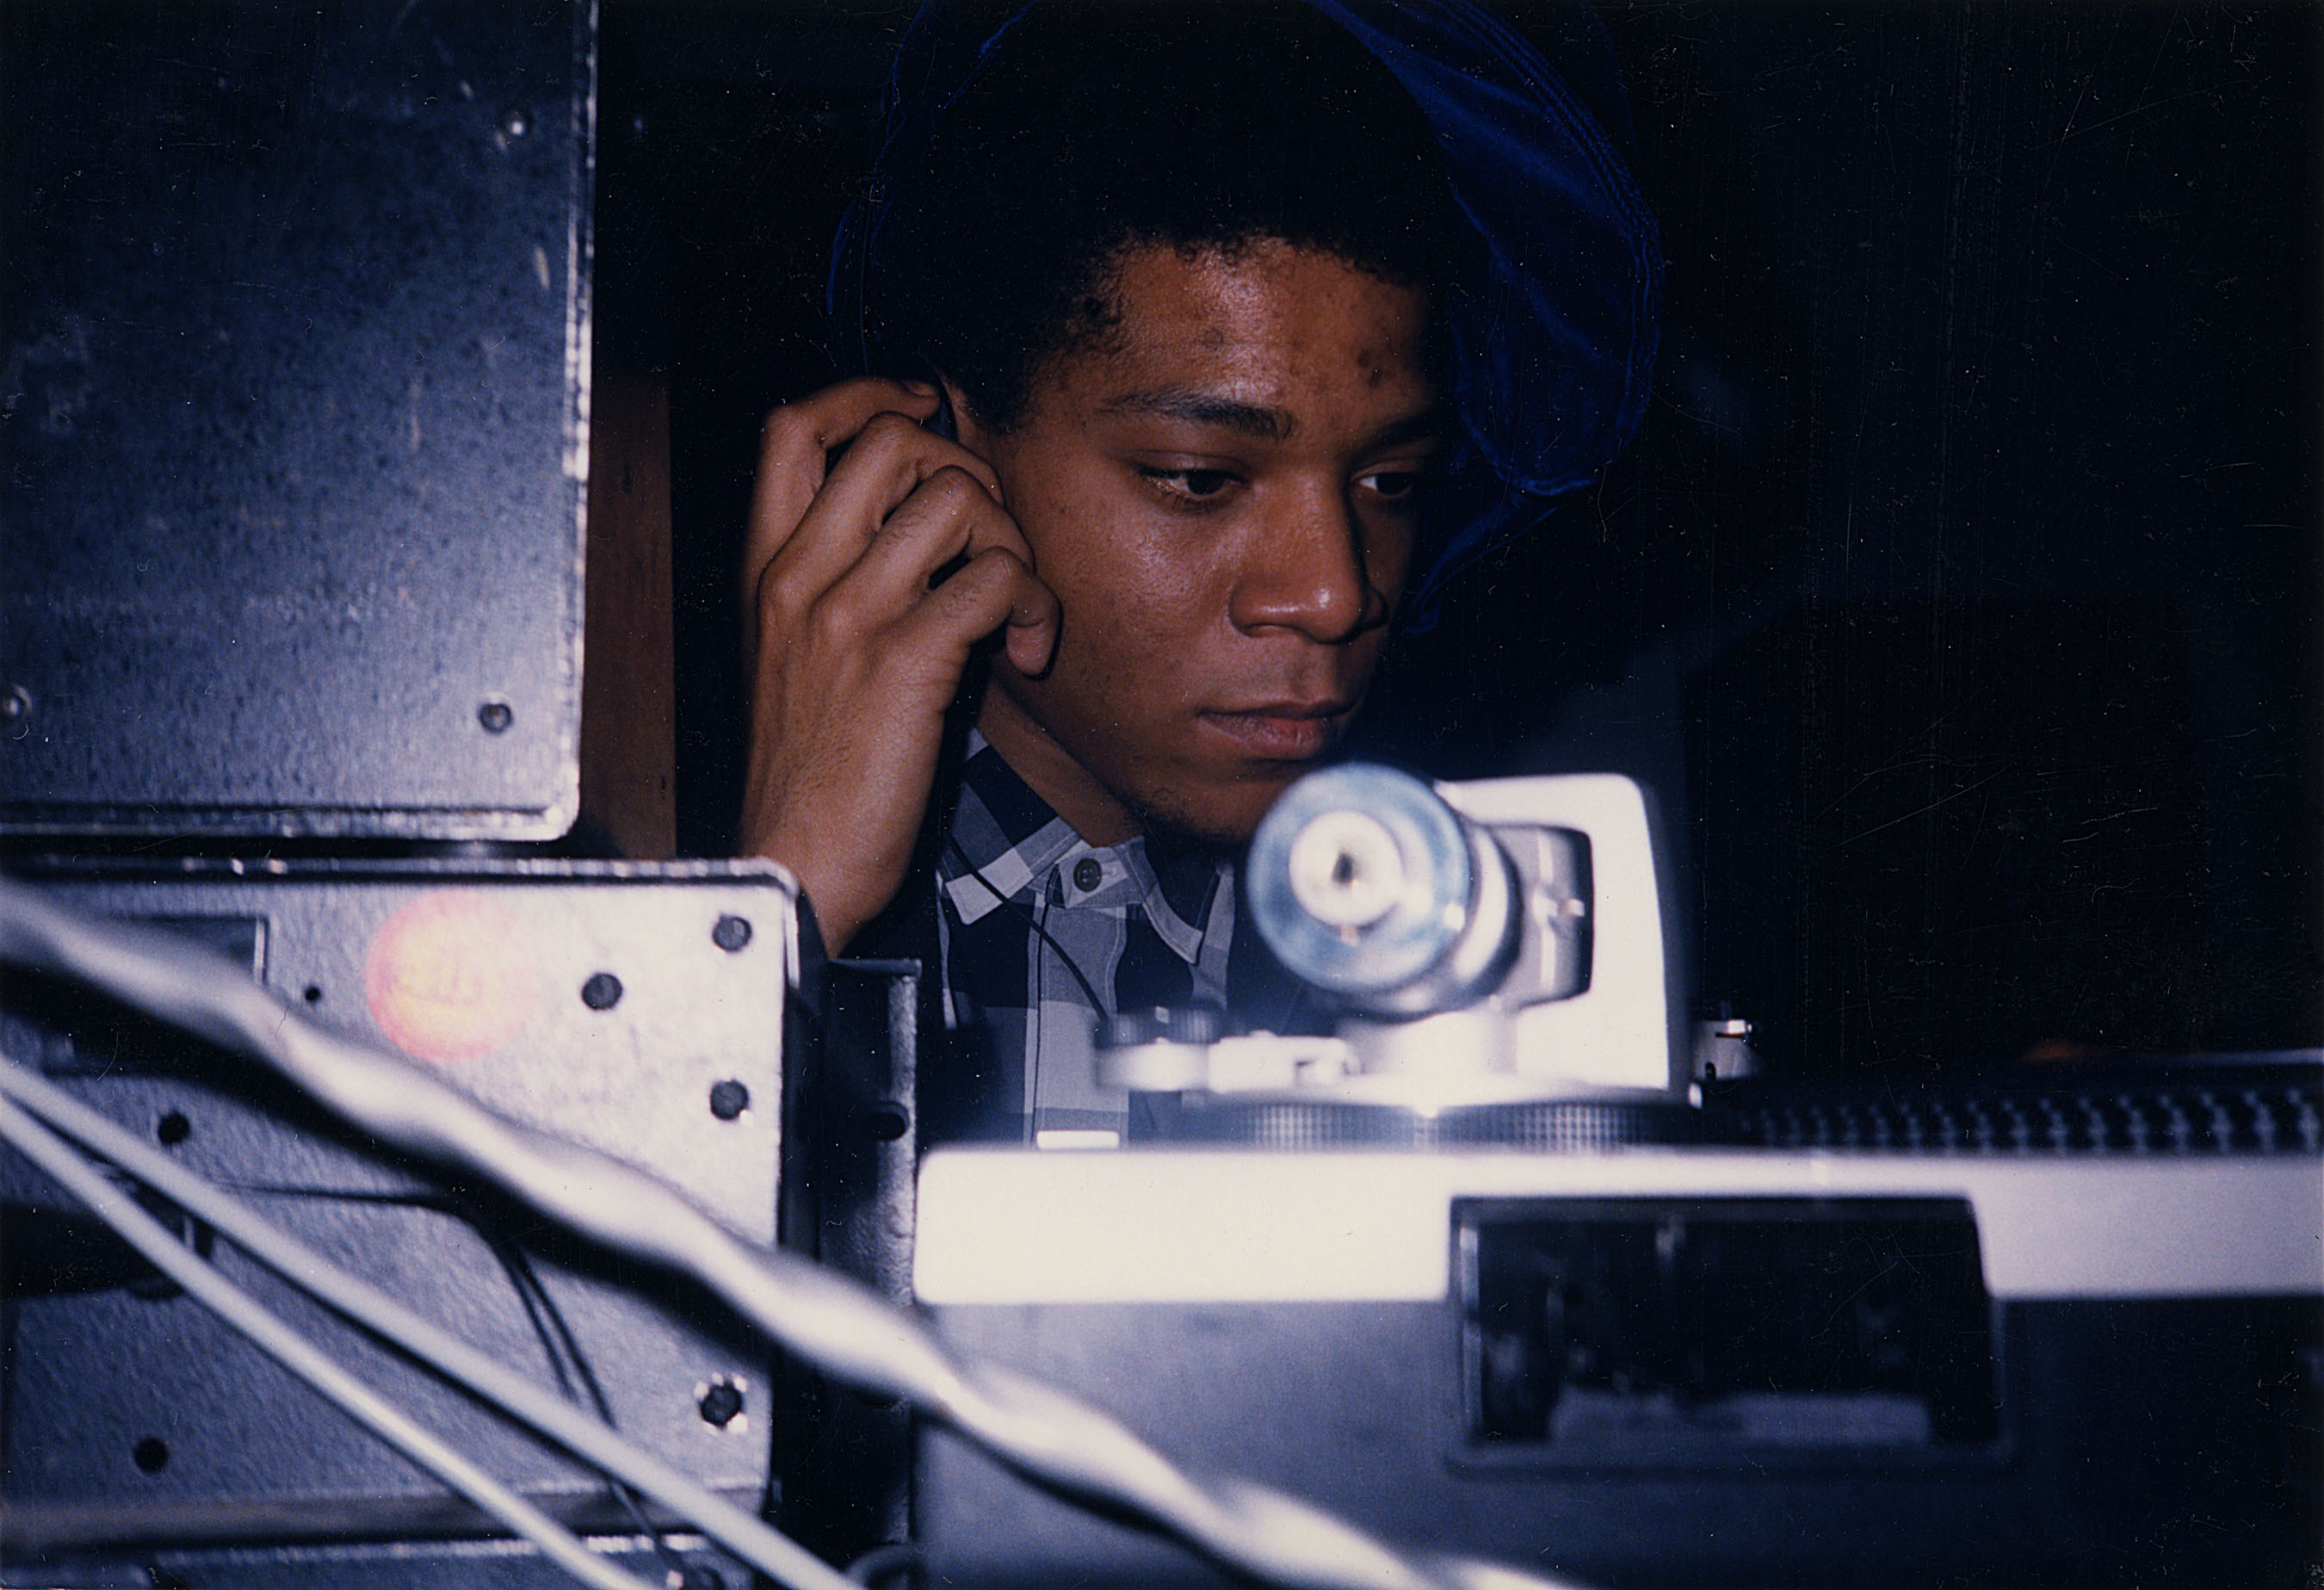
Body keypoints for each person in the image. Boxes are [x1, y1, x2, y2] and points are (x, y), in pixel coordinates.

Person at [736, 0, 1660, 1143]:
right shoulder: (666, 905)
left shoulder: (1462, 945)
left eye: (1393, 481)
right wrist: (781, 907)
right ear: (945, 448)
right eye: (1199, 478)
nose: (1335, 594)